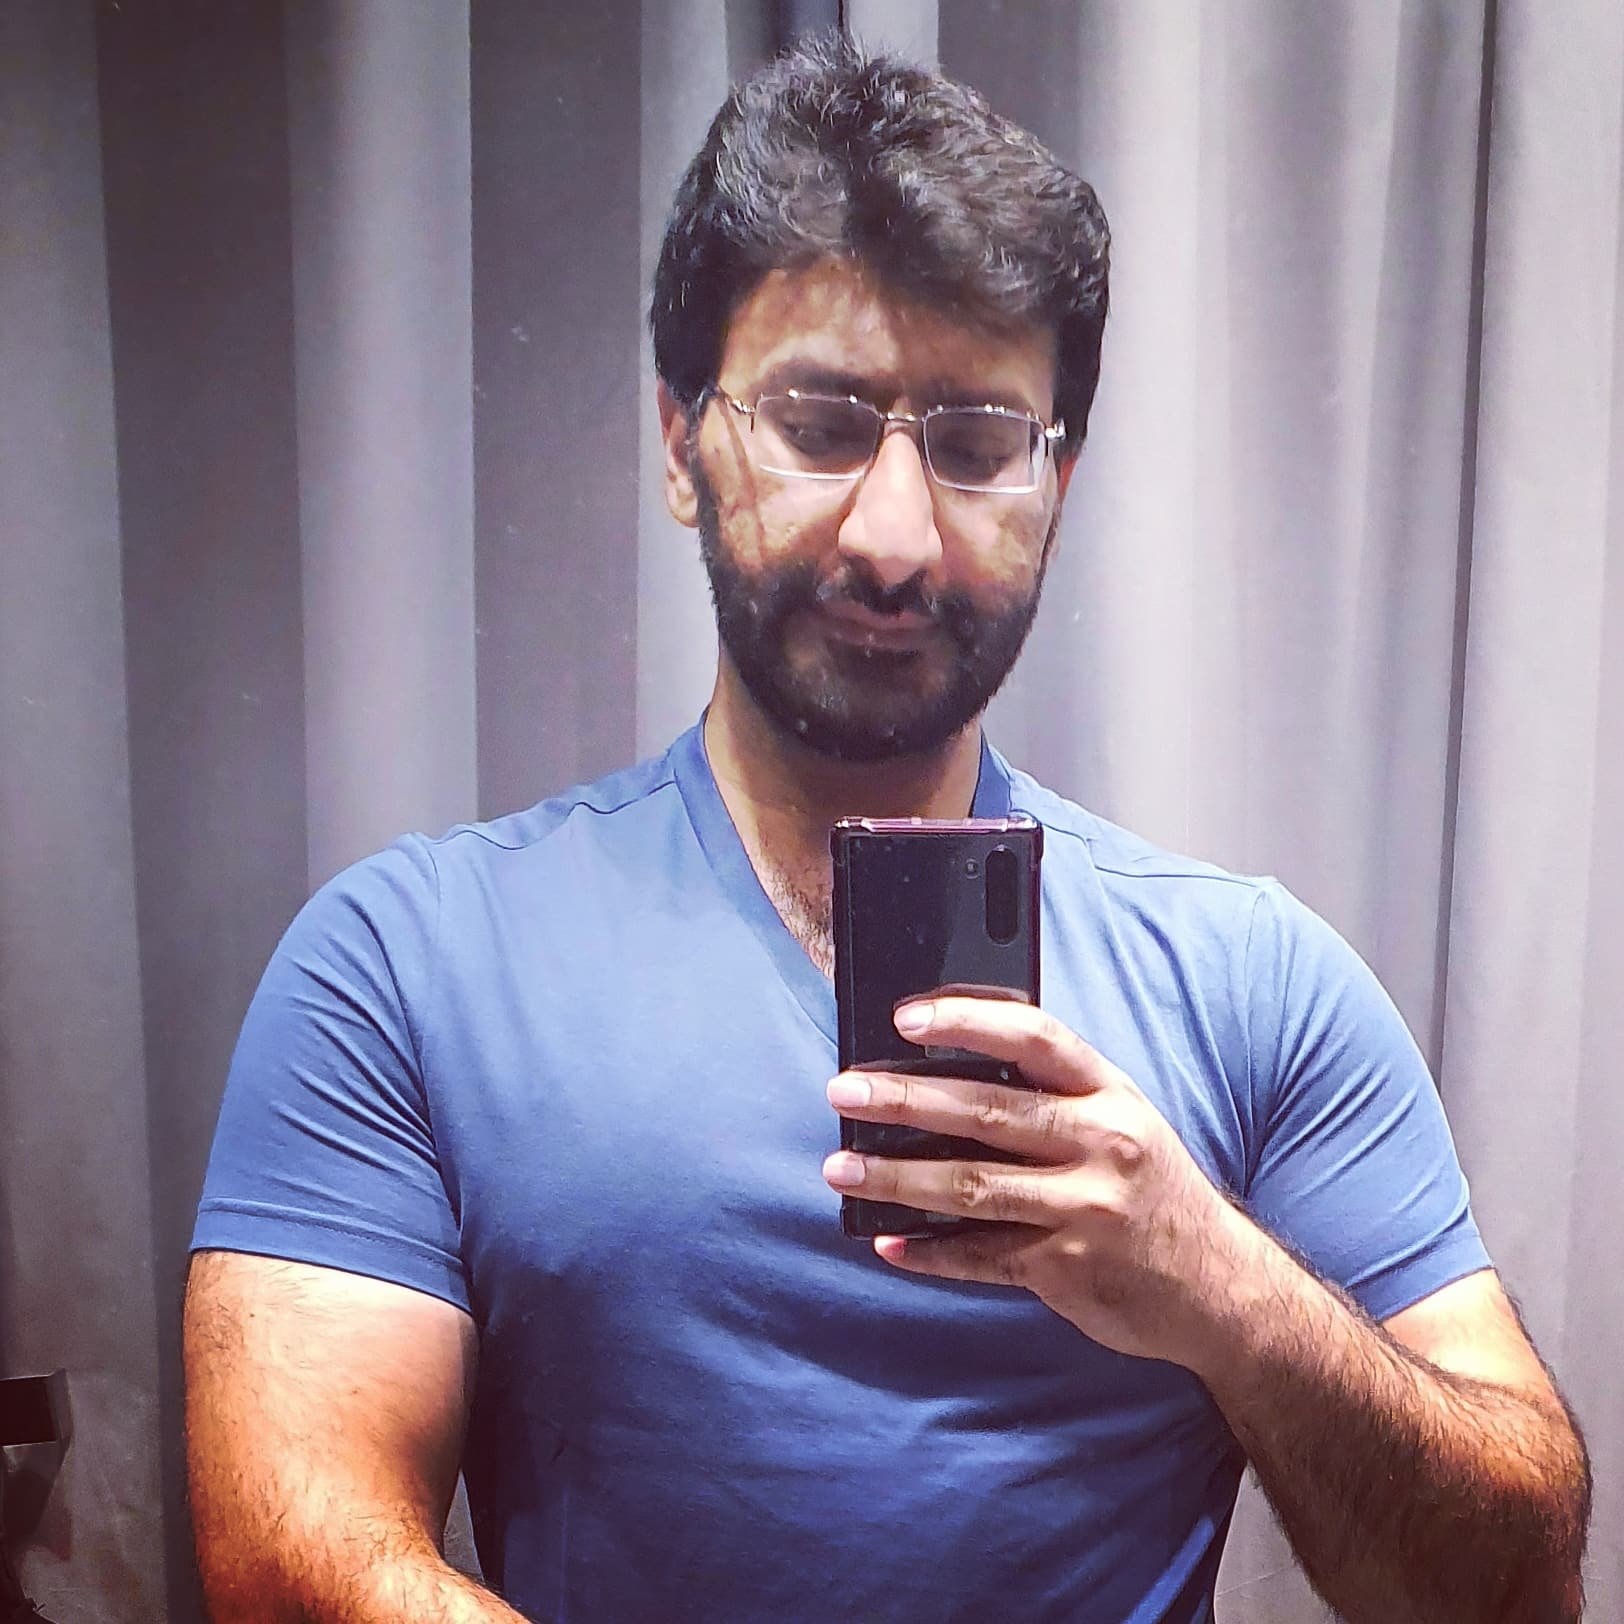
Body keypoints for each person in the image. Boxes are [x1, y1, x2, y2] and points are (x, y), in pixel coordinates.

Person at [183, 34, 1590, 1624]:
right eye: (822, 422)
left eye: (979, 446)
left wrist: (1219, 1286)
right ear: (681, 442)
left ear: (1059, 483)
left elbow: (1516, 1585)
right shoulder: (407, 963)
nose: (897, 537)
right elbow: (289, 1558)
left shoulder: (1257, 982)